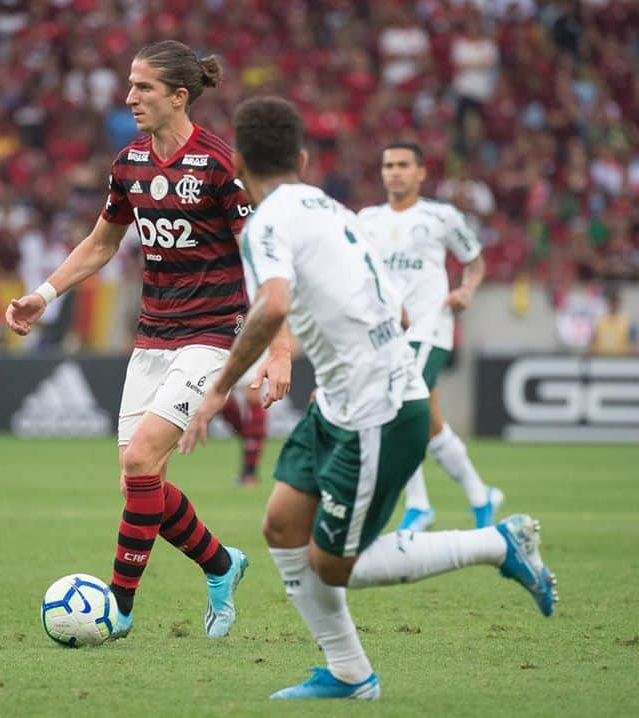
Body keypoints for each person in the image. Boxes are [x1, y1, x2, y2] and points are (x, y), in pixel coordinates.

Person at [180, 96, 556, 700]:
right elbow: (399, 308)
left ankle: (496, 543)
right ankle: (349, 674)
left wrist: (217, 389)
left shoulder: (266, 224)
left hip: (377, 410)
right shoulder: (333, 208)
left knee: (332, 565)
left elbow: (273, 304)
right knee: (281, 524)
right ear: (301, 158)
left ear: (240, 161)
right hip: (340, 400)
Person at [5, 41, 292, 639]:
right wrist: (45, 293)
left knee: (139, 460)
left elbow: (263, 258)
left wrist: (277, 347)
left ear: (178, 96)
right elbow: (102, 244)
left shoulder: (219, 165)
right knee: (141, 485)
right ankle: (221, 563)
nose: (129, 97)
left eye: (143, 88)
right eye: (130, 85)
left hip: (215, 336)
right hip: (153, 337)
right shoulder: (129, 161)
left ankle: (119, 609)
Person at [357, 142, 503, 531]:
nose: (395, 172)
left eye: (404, 165)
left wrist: (467, 291)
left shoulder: (441, 217)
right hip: (387, 333)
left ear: (421, 172)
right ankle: (480, 493)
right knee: (430, 421)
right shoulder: (366, 220)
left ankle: (419, 505)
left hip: (430, 326)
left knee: (398, 403)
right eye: (389, 165)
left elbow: (474, 262)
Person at [219, 358, 268, 486]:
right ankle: (249, 439)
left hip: (252, 344)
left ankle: (250, 471)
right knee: (222, 400)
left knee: (253, 396)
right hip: (226, 345)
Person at [589, 283, 639, 356]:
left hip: (622, 362)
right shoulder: (599, 321)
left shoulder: (629, 321)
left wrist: (634, 352)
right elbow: (592, 343)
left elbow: (638, 346)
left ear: (619, 302)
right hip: (601, 362)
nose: (614, 303)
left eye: (616, 301)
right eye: (612, 301)